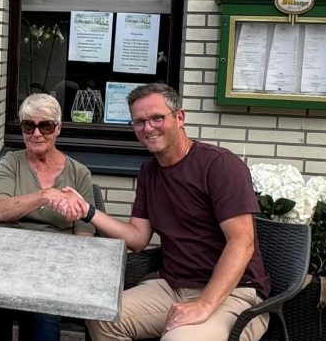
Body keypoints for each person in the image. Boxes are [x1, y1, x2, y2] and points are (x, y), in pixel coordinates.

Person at [66, 83, 270, 341]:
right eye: (139, 122)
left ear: (180, 117)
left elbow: (242, 243)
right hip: (173, 288)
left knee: (179, 339)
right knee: (102, 315)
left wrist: (204, 304)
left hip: (234, 293)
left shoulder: (220, 165)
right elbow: (138, 238)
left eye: (157, 118)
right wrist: (87, 211)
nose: (148, 128)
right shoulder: (149, 171)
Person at [0, 93, 96, 341]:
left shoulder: (79, 173)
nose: (36, 133)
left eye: (45, 125)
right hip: (5, 257)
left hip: (51, 265)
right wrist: (45, 196)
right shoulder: (11, 163)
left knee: (42, 306)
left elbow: (84, 238)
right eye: (29, 125)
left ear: (58, 129)